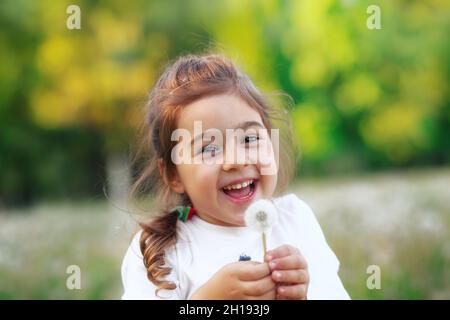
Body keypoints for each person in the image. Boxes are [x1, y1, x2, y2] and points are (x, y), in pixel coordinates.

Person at [121, 54, 350, 300]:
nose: (236, 160)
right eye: (209, 148)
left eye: (249, 139)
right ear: (173, 174)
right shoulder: (159, 251)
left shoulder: (294, 220)